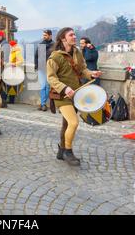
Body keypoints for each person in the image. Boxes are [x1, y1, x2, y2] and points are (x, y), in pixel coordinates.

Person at [47, 27, 102, 166]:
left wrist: (91, 74)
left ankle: (61, 150)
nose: (74, 37)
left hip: (76, 93)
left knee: (66, 124)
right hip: (61, 96)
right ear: (63, 38)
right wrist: (65, 88)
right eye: (71, 35)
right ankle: (68, 152)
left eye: (74, 34)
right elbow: (51, 78)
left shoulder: (77, 52)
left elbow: (82, 69)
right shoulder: (54, 57)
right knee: (73, 122)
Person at [35, 29, 54, 111]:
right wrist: (36, 65)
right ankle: (43, 104)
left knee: (47, 86)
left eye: (45, 35)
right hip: (41, 68)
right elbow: (36, 56)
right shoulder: (40, 44)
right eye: (43, 35)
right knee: (43, 86)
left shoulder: (54, 45)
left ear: (50, 35)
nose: (44, 37)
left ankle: (43, 104)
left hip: (50, 68)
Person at [6, 40, 24, 104]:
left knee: (12, 85)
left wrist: (14, 64)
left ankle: (11, 100)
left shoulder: (17, 52)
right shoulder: (12, 52)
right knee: (10, 84)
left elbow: (21, 61)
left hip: (15, 70)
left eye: (11, 46)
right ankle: (10, 99)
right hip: (11, 70)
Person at [0, 31, 9, 108]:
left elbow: (5, 57)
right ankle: (2, 101)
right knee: (0, 84)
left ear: (2, 36)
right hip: (0, 67)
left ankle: (3, 102)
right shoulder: (0, 43)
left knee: (2, 85)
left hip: (3, 67)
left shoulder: (5, 44)